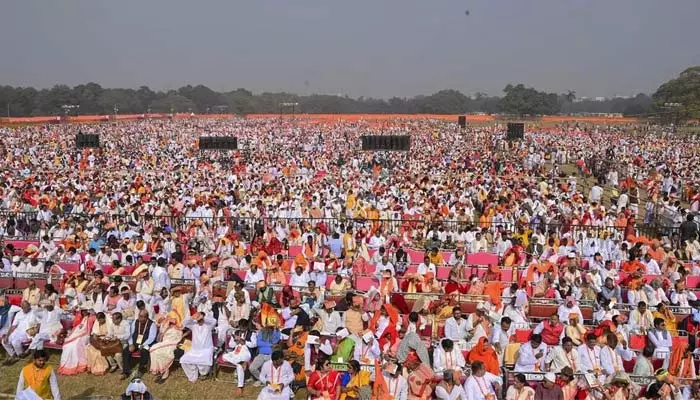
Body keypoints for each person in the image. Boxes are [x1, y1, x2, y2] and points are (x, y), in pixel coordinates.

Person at [180, 311, 216, 382]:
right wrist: (192, 317)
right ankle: (193, 375)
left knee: (205, 361)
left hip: (206, 349)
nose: (199, 320)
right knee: (183, 360)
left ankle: (203, 374)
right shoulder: (193, 325)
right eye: (198, 318)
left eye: (201, 318)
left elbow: (214, 321)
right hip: (195, 350)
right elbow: (184, 323)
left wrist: (203, 317)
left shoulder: (208, 325)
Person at [121, 309, 157, 380]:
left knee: (144, 351)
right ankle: (126, 371)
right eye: (140, 316)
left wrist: (144, 344)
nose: (142, 318)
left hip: (146, 343)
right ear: (138, 316)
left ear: (147, 317)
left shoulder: (152, 324)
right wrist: (131, 344)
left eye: (144, 317)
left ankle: (140, 370)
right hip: (135, 342)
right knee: (125, 351)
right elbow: (130, 334)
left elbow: (151, 337)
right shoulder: (135, 322)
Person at [149, 311, 184, 384]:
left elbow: (178, 339)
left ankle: (165, 373)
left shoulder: (177, 329)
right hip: (164, 343)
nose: (170, 322)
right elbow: (160, 339)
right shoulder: (164, 326)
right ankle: (162, 371)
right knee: (155, 351)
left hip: (172, 345)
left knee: (157, 350)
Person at [57, 307, 91, 375]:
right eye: (82, 311)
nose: (84, 312)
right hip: (76, 334)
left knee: (75, 346)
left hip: (83, 335)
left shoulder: (90, 318)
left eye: (85, 311)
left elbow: (88, 330)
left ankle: (78, 364)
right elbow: (76, 326)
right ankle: (66, 364)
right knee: (67, 346)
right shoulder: (81, 318)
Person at [222, 328, 254, 395]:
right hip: (236, 353)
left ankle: (240, 386)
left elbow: (254, 344)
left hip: (245, 353)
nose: (242, 330)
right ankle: (241, 362)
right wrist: (235, 340)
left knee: (239, 366)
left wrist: (245, 342)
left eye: (244, 328)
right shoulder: (236, 332)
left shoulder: (252, 333)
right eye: (241, 327)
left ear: (246, 326)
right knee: (224, 356)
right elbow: (230, 345)